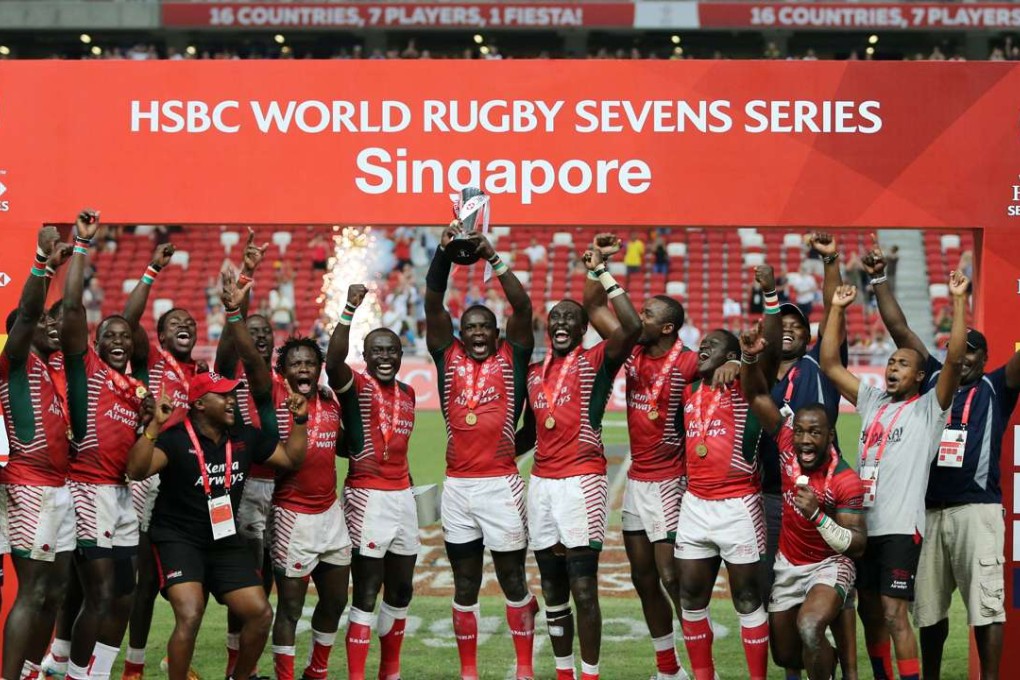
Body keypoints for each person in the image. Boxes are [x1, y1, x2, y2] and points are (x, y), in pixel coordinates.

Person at [126, 273, 309, 680]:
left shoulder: (243, 436)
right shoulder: (174, 439)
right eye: (223, 395)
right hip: (178, 538)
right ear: (199, 403)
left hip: (224, 541)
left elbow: (291, 460)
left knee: (260, 613)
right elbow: (136, 469)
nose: (231, 400)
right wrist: (152, 429)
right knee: (189, 614)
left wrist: (299, 420)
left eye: (231, 394)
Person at [863, 240, 1016, 680]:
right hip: (926, 513)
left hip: (976, 510)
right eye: (957, 349)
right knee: (927, 612)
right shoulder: (933, 380)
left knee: (986, 607)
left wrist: (960, 298)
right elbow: (898, 327)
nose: (963, 358)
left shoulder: (998, 387)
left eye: (972, 352)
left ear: (984, 358)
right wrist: (878, 278)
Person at [819, 273, 969, 680]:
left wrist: (958, 300)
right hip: (862, 526)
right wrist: (835, 308)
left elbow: (954, 360)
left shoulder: (929, 409)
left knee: (894, 613)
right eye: (890, 362)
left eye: (903, 364)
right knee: (870, 614)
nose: (892, 368)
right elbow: (830, 363)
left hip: (902, 528)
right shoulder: (872, 401)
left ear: (920, 376)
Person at [515, 241, 641, 680]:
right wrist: (496, 454)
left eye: (572, 317)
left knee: (584, 587)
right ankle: (563, 671)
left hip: (582, 482)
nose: (563, 322)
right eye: (556, 318)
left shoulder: (597, 360)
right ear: (546, 327)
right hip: (542, 484)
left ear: (586, 327)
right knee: (551, 585)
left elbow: (631, 325)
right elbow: (529, 432)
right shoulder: (534, 373)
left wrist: (600, 273)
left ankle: (590, 674)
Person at [424, 224, 538, 680]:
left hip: (500, 486)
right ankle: (468, 672)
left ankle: (524, 669)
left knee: (513, 581)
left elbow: (524, 306)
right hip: (457, 490)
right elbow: (433, 301)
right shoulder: (445, 356)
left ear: (496, 332)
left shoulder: (513, 356)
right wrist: (444, 254)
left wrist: (492, 257)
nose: (475, 333)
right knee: (465, 584)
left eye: (483, 327)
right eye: (468, 327)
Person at [754, 235, 858, 680]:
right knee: (776, 591)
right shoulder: (758, 372)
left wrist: (830, 259)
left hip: (825, 491)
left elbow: (838, 311)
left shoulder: (820, 365)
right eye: (783, 324)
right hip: (769, 494)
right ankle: (802, 667)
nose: (791, 329)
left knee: (833, 585)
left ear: (810, 334)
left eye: (799, 325)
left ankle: (845, 667)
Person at [53, 211, 152, 680]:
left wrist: (151, 273)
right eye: (108, 336)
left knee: (126, 595)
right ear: (94, 342)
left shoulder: (135, 390)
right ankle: (74, 674)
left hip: (121, 495)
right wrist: (81, 246)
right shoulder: (86, 369)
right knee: (99, 594)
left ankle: (96, 672)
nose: (118, 340)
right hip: (86, 491)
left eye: (124, 337)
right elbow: (72, 309)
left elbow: (125, 323)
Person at [740, 321, 867, 680]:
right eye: (800, 432)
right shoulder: (784, 443)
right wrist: (749, 358)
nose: (805, 440)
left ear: (830, 436)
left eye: (815, 433)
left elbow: (857, 545)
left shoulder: (845, 480)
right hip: (789, 565)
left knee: (810, 628)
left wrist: (819, 517)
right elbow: (756, 397)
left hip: (830, 564)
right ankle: (837, 665)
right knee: (784, 654)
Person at [326, 286, 418, 680]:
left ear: (401, 355)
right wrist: (349, 309)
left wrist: (412, 490)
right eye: (377, 351)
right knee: (367, 590)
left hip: (403, 498)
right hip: (366, 497)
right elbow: (332, 364)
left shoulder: (409, 393)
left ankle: (390, 672)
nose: (384, 357)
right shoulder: (356, 388)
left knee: (401, 591)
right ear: (365, 356)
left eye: (391, 351)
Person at [120, 242, 199, 680]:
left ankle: (175, 659)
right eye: (174, 324)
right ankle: (133, 666)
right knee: (144, 581)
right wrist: (151, 269)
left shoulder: (199, 372)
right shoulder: (149, 360)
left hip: (187, 482)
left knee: (186, 579)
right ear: (162, 337)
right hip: (147, 477)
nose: (183, 326)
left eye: (189, 322)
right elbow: (128, 321)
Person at [673, 328, 768, 680]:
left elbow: (762, 375)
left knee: (746, 598)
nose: (702, 349)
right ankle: (703, 675)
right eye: (701, 345)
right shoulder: (689, 392)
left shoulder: (746, 389)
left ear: (729, 355)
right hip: (695, 504)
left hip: (738, 504)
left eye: (711, 346)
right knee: (691, 595)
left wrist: (744, 364)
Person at [0, 226, 73, 680]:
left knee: (56, 590)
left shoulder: (51, 371)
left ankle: (29, 671)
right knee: (33, 591)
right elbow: (26, 315)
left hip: (58, 489)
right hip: (29, 487)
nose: (49, 325)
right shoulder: (14, 362)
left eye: (53, 321)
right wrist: (43, 264)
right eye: (41, 322)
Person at [212, 229, 278, 678]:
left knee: (269, 571)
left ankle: (247, 657)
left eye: (264, 334)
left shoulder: (285, 377)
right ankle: (239, 662)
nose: (258, 339)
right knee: (248, 573)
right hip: (243, 485)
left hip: (282, 485)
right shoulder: (228, 376)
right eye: (250, 334)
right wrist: (246, 278)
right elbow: (228, 344)